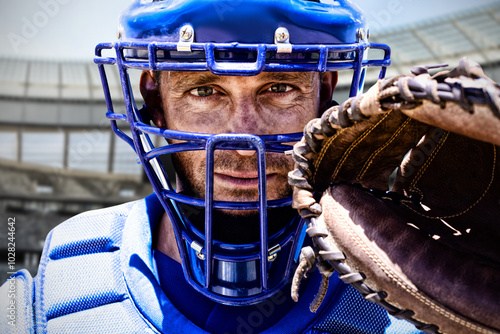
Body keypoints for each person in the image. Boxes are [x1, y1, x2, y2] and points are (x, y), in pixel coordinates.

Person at [1, 0, 425, 333]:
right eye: (205, 91)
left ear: (324, 97)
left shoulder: (409, 288)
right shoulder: (55, 291)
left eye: (279, 88)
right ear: (155, 103)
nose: (244, 141)